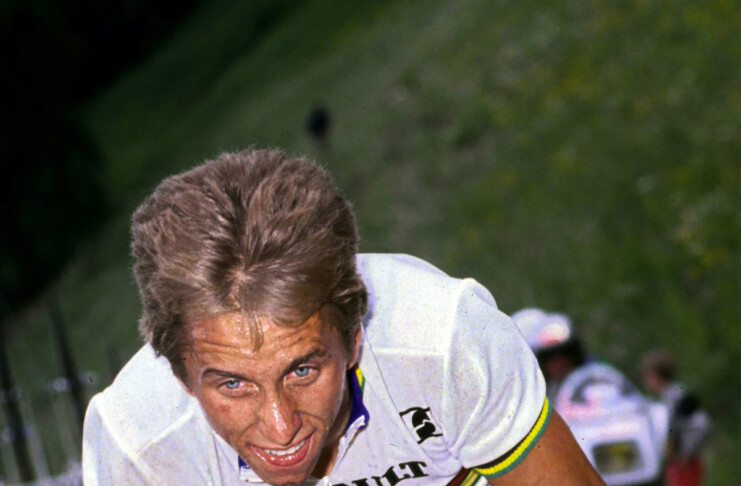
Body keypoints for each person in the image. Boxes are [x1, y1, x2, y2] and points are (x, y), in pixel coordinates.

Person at [82, 148, 604, 485]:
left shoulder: (441, 339)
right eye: (234, 385)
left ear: (354, 337)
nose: (281, 427)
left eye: (303, 370)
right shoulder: (141, 442)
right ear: (180, 375)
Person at [512, 308, 666, 486]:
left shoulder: (598, 374)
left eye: (564, 354)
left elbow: (622, 398)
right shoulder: (537, 393)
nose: (559, 363)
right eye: (550, 358)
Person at [642, 349, 711, 486]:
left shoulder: (675, 397)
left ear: (657, 375)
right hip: (679, 459)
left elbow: (699, 424)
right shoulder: (667, 397)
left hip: (686, 460)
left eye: (649, 376)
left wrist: (686, 453)